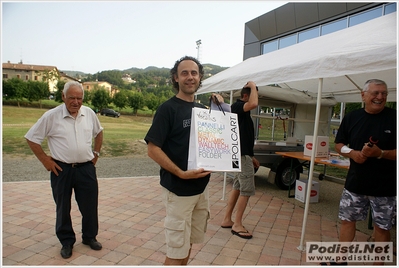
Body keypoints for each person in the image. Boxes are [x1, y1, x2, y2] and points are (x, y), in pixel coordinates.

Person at [144, 55, 224, 265]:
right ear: (176, 78)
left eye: (194, 73)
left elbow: (216, 139)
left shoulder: (202, 110)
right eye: (185, 73)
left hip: (200, 190)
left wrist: (220, 109)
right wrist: (180, 173)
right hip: (178, 191)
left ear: (200, 77)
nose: (190, 77)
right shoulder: (167, 109)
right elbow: (153, 149)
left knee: (187, 244)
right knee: (176, 251)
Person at [25, 81, 104, 259]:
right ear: (63, 97)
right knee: (63, 207)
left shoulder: (89, 113)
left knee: (90, 206)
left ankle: (89, 237)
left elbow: (99, 132)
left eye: (79, 98)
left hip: (86, 169)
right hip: (62, 170)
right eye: (71, 98)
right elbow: (31, 138)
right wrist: (45, 160)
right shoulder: (51, 116)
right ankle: (67, 241)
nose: (76, 102)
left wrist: (96, 153)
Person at [328, 79, 396, 266]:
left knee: (382, 228)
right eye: (375, 93)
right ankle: (341, 260)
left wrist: (380, 153)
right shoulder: (352, 117)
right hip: (355, 184)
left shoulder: (394, 118)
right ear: (363, 95)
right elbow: (339, 144)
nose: (380, 97)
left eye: (384, 93)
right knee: (347, 221)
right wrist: (353, 153)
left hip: (385, 187)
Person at [220, 81, 260, 239]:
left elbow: (243, 138)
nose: (257, 99)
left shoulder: (241, 112)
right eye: (252, 95)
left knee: (237, 186)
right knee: (247, 189)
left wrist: (251, 156)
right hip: (240, 157)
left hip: (242, 156)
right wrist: (253, 85)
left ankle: (227, 219)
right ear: (245, 96)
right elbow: (254, 103)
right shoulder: (237, 107)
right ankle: (237, 224)